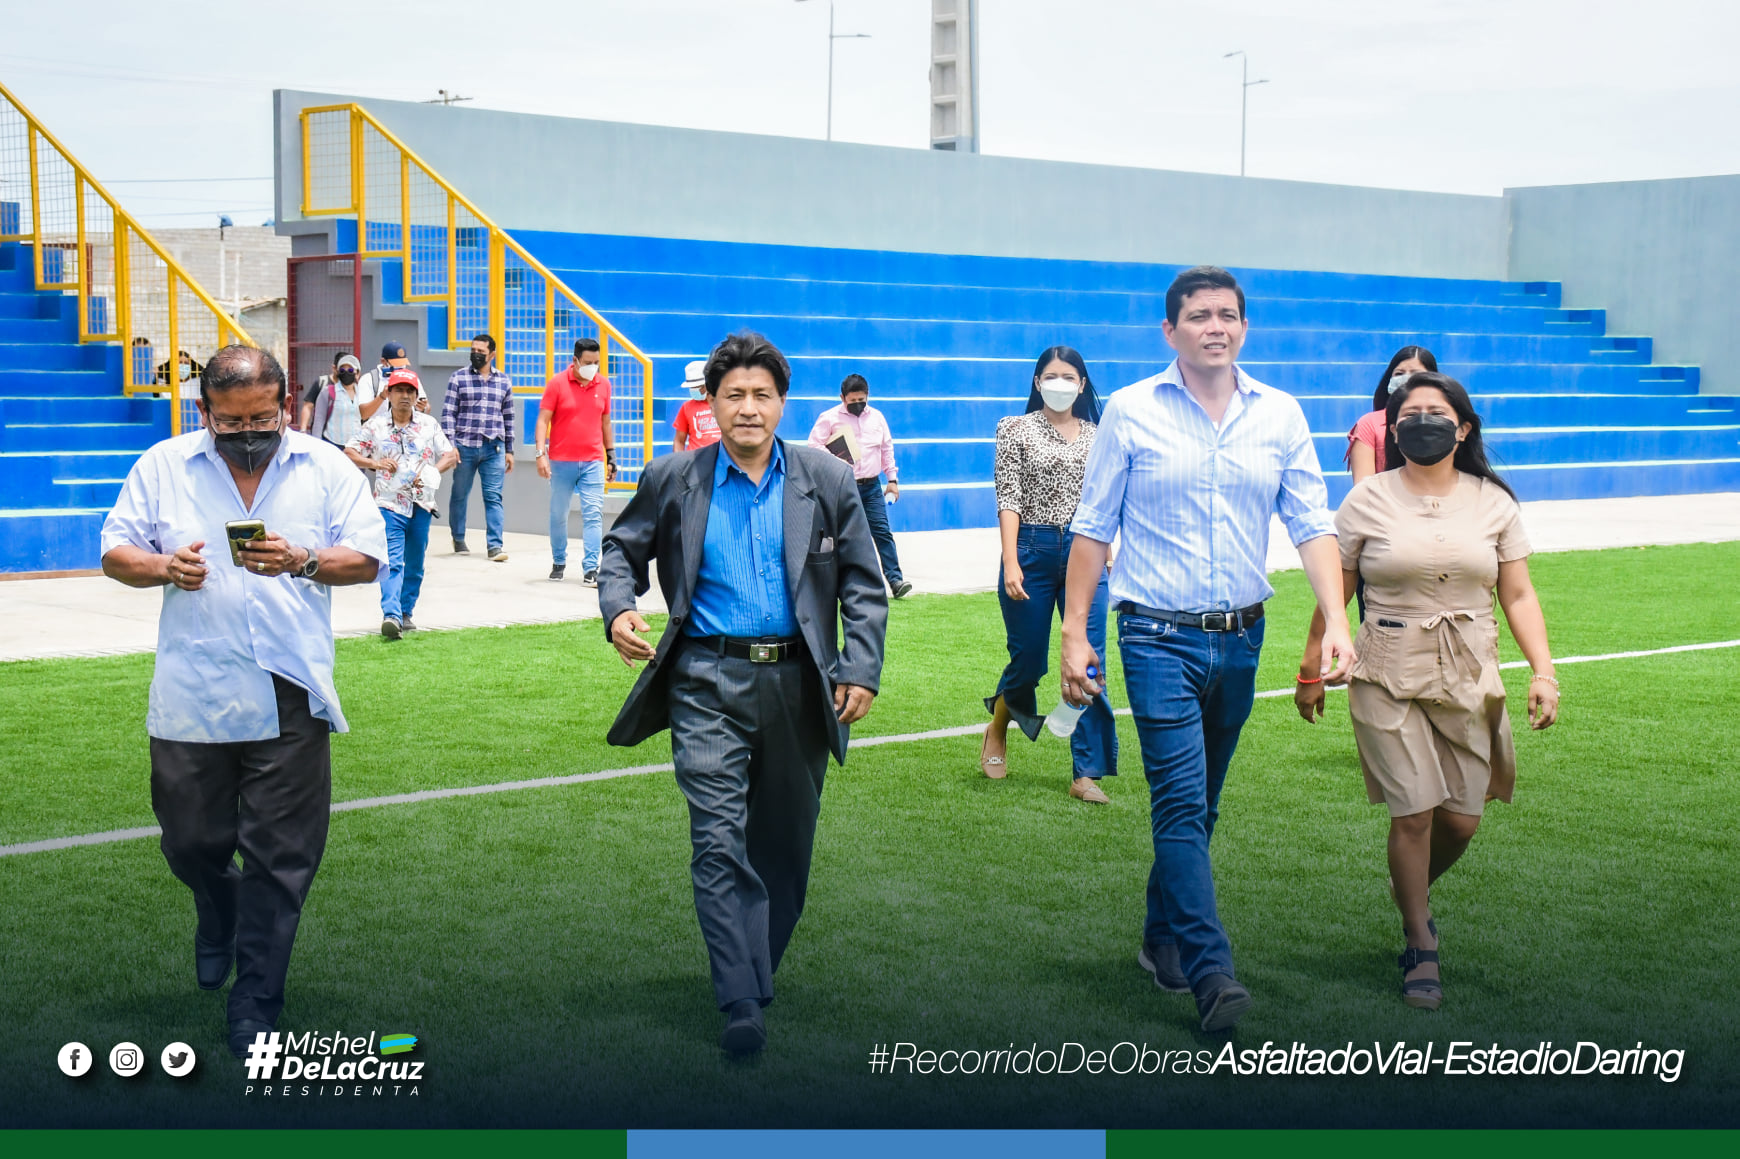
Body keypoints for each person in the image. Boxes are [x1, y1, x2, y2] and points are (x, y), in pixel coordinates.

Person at [1059, 265, 1356, 1033]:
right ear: (1171, 330)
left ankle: (1161, 936)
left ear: (1244, 327)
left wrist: (1337, 620)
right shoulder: (1131, 410)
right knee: (1181, 801)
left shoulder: (1280, 414)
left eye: (1227, 314)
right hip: (1155, 635)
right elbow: (1093, 524)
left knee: (1204, 803)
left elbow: (1311, 523)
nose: (1214, 326)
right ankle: (1211, 972)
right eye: (1198, 315)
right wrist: (1074, 630)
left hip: (1242, 637)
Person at [599, 331, 887, 1057]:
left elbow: (862, 581)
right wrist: (618, 608)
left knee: (784, 847)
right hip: (705, 680)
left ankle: (754, 971)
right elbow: (621, 548)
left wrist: (859, 665)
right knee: (717, 840)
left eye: (762, 395)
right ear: (712, 402)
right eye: (734, 395)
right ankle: (740, 998)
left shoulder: (827, 478)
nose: (748, 408)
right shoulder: (674, 477)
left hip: (800, 682)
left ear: (783, 403)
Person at [97, 344, 386, 1058]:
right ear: (205, 411)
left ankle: (256, 998)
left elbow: (366, 558)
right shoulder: (164, 466)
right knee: (190, 842)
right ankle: (216, 901)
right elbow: (115, 551)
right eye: (231, 422)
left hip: (291, 692)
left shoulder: (325, 468)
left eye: (262, 418)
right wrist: (163, 566)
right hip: (194, 690)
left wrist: (303, 559)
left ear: (285, 406)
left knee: (282, 858)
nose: (248, 432)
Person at [1294, 371, 1559, 1011]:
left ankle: (1408, 887)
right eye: (1408, 414)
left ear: (1463, 427)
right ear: (1392, 428)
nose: (1422, 422)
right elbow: (1338, 589)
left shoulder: (1494, 502)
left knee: (1462, 820)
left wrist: (1543, 671)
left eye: (1436, 412)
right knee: (1412, 812)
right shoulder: (1366, 500)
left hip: (1469, 667)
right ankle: (1420, 941)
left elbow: (1518, 594)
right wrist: (1309, 666)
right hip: (1384, 666)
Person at [980, 345, 1117, 804]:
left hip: (1085, 552)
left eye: (1069, 376)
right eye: (1051, 376)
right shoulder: (1014, 428)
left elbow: (1101, 500)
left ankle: (1086, 773)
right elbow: (1008, 496)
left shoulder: (1099, 435)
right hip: (1031, 550)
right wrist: (1011, 560)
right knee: (1029, 661)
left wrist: (1108, 550)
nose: (1060, 384)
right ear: (1038, 382)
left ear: (1082, 384)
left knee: (1090, 659)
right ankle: (1000, 723)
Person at [347, 370, 460, 638]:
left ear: (416, 395)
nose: (405, 396)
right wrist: (375, 463)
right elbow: (349, 451)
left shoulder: (429, 424)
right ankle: (391, 615)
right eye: (399, 390)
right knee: (392, 561)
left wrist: (432, 471)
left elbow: (450, 454)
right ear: (389, 394)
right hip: (389, 505)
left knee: (415, 564)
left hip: (421, 505)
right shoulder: (375, 426)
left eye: (410, 391)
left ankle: (406, 611)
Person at [806, 374, 910, 598]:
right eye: (852, 401)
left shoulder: (877, 418)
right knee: (837, 535)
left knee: (882, 532)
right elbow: (813, 445)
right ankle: (830, 582)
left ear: (867, 396)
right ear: (842, 398)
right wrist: (836, 458)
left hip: (871, 486)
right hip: (841, 486)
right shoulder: (829, 418)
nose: (857, 404)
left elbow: (886, 449)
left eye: (861, 400)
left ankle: (895, 580)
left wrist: (892, 480)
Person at [537, 338, 615, 583]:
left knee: (593, 514)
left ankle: (591, 568)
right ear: (575, 360)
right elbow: (543, 420)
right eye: (588, 362)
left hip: (593, 460)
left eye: (597, 362)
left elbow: (605, 422)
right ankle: (559, 560)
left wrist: (611, 455)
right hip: (562, 462)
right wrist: (540, 454)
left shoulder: (604, 385)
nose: (593, 367)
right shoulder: (557, 383)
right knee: (558, 514)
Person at [440, 332, 515, 562]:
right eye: (473, 350)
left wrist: (510, 450)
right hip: (465, 447)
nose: (476, 355)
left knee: (493, 497)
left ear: (492, 355)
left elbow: (508, 417)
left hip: (494, 448)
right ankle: (458, 537)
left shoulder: (503, 381)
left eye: (481, 352)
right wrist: (450, 445)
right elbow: (448, 413)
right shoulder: (458, 378)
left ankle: (495, 546)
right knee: (460, 494)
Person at [1348, 346, 1438, 484]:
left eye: (1415, 374)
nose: (1406, 379)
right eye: (1399, 374)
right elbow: (1362, 485)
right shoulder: (1369, 424)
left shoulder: (1443, 421)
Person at [303, 354, 374, 447]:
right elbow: (319, 421)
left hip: (355, 446)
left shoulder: (362, 393)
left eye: (350, 370)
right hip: (332, 444)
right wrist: (317, 446)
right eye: (342, 370)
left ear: (357, 373)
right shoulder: (328, 392)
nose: (346, 373)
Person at [672, 359, 721, 451]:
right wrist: (678, 459)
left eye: (699, 387)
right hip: (695, 458)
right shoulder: (686, 407)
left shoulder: (723, 403)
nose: (695, 391)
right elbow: (679, 441)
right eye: (692, 388)